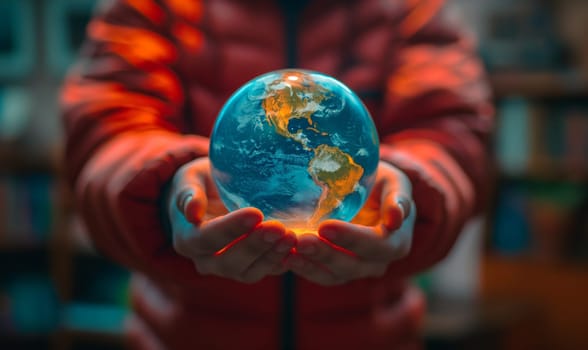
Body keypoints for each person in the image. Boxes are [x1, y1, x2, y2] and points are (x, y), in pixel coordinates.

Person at [60, 0, 493, 349]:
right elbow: (101, 137)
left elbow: (458, 138)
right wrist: (163, 193)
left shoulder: (410, 8)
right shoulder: (151, 7)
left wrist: (413, 192)